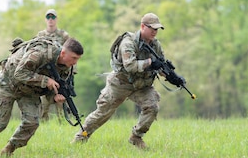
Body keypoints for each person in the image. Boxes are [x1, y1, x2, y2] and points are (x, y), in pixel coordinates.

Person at [0, 37, 83, 157]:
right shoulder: (40, 53)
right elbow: (19, 73)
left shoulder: (67, 69)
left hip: (30, 90)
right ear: (63, 53)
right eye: (74, 58)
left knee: (32, 122)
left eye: (78, 59)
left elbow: (54, 87)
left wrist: (55, 97)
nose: (75, 62)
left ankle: (8, 150)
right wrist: (45, 80)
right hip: (8, 83)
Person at [72, 13, 174, 149]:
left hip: (142, 85)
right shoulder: (128, 42)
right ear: (143, 26)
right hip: (121, 83)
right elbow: (130, 66)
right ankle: (81, 137)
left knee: (152, 107)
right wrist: (150, 62)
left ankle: (136, 137)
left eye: (157, 29)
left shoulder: (156, 45)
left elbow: (159, 65)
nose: (155, 32)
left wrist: (170, 75)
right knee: (103, 112)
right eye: (152, 28)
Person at [36, 9, 71, 121]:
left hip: (60, 72)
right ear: (45, 19)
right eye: (48, 17)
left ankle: (63, 123)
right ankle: (43, 125)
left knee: (61, 100)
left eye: (53, 17)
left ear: (56, 19)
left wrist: (70, 73)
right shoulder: (40, 35)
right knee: (44, 103)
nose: (50, 20)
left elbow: (71, 53)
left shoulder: (64, 35)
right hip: (45, 72)